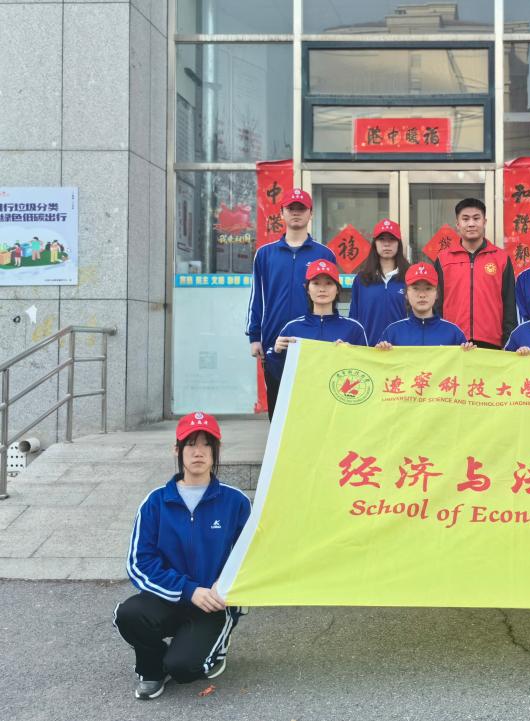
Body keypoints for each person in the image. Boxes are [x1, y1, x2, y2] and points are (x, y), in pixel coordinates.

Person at [113, 412, 251, 700]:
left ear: (216, 451)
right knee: (128, 615)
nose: (198, 452)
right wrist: (188, 590)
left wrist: (224, 585)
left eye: (206, 444)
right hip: (170, 597)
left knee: (185, 669)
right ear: (177, 450)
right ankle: (152, 668)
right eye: (190, 444)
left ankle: (214, 647)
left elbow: (249, 554)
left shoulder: (235, 501)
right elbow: (140, 563)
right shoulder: (156, 502)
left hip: (212, 603)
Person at [246, 188, 335, 419]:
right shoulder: (265, 254)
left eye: (301, 209)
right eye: (291, 208)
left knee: (315, 408)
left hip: (315, 341)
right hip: (275, 341)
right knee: (279, 409)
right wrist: (254, 336)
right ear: (282, 213)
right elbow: (257, 296)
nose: (296, 213)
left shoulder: (324, 255)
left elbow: (332, 298)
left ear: (310, 214)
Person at [433, 198, 516, 349]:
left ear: (484, 222)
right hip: (452, 341)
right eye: (465, 219)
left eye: (476, 218)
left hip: (491, 342)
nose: (471, 224)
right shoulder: (443, 259)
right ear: (457, 224)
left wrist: (508, 342)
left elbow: (509, 304)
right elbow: (436, 304)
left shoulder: (501, 258)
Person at [271, 259, 368, 372]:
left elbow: (366, 370)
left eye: (329, 283)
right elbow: (278, 375)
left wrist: (350, 354)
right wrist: (276, 353)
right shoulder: (292, 328)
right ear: (307, 289)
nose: (322, 289)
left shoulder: (354, 328)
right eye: (316, 283)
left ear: (337, 289)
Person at [377, 263, 473, 349]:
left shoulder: (453, 333)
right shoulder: (392, 333)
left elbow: (465, 362)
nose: (422, 295)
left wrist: (468, 353)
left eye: (428, 288)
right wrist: (381, 353)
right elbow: (379, 363)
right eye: (415, 288)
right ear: (406, 293)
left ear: (437, 293)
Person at [349, 218, 410, 345]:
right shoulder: (361, 279)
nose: (386, 244)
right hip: (369, 350)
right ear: (375, 243)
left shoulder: (409, 277)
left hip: (402, 350)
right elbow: (354, 318)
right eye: (381, 239)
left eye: (391, 239)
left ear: (398, 243)